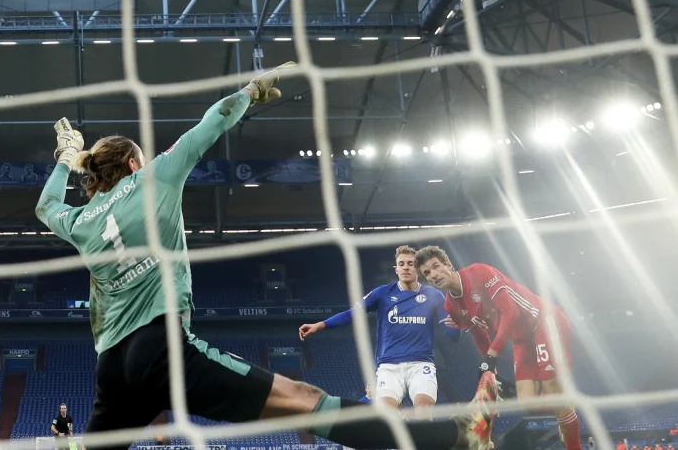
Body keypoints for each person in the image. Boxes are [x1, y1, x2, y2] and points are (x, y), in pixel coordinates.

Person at [33, 62, 497, 450]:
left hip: (112, 366)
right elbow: (207, 125)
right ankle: (451, 441)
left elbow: (46, 206)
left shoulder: (81, 220)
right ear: (134, 163)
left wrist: (63, 156)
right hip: (160, 350)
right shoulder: (153, 177)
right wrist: (249, 93)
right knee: (301, 398)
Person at [415, 246, 583, 450]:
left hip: (544, 321)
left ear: (448, 265)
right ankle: (565, 405)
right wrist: (490, 371)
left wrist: (492, 355)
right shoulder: (452, 307)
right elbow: (479, 334)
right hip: (522, 339)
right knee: (527, 404)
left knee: (551, 388)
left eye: (436, 267)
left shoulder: (479, 272)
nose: (433, 275)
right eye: (427, 273)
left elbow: (510, 313)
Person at [298, 245, 456, 418]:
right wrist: (321, 325)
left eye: (410, 263)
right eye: (401, 264)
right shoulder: (383, 293)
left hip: (421, 364)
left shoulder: (433, 295)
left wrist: (456, 326)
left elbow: (453, 334)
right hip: (389, 366)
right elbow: (352, 313)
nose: (405, 267)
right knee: (386, 417)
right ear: (395, 269)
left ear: (418, 268)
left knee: (424, 413)